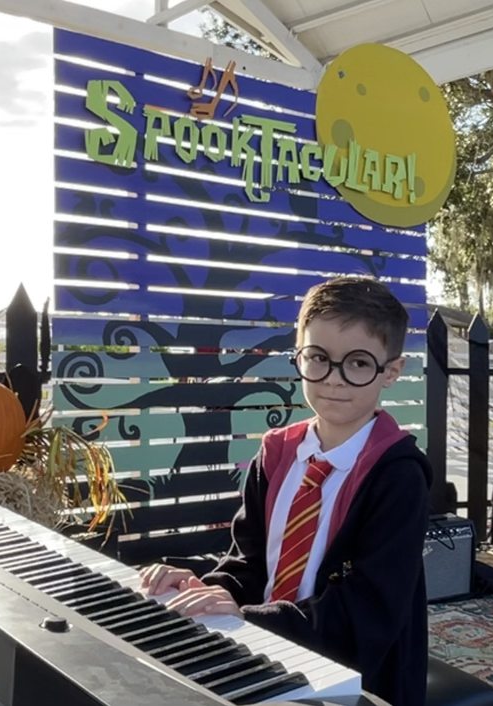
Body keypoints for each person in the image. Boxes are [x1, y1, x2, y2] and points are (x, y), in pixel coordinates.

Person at [140, 276, 433, 706]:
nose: (333, 379)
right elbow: (251, 563)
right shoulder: (277, 455)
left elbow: (368, 611)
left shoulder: (398, 475)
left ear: (391, 371)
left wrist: (252, 619)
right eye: (318, 358)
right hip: (269, 649)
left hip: (358, 678)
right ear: (299, 356)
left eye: (357, 363)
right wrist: (206, 589)